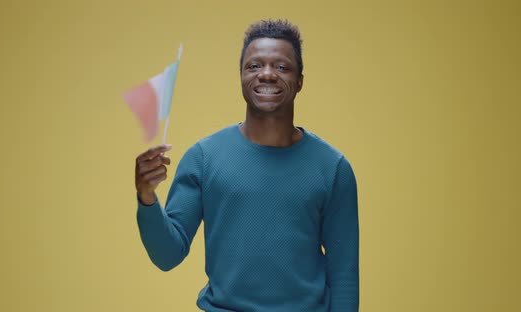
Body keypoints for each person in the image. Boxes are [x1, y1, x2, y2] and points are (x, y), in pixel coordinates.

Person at [135, 19, 359, 312]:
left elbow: (344, 276)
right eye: (254, 66)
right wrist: (147, 198)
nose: (267, 74)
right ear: (241, 76)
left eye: (281, 67)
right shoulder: (204, 158)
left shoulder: (333, 168)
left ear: (300, 80)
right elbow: (167, 255)